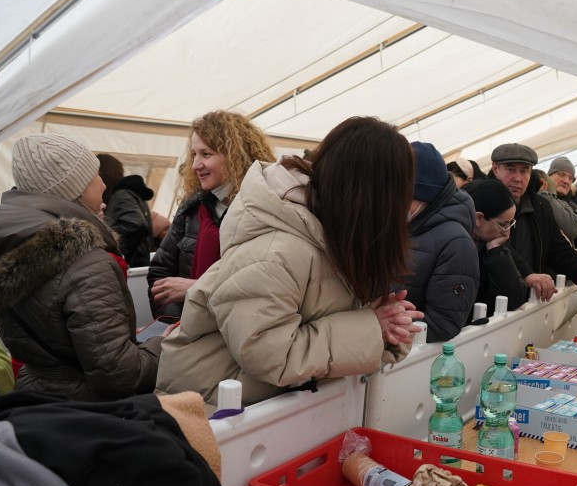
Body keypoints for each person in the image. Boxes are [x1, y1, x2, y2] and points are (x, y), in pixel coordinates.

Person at [156, 116, 423, 407]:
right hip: (205, 412)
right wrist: (370, 327)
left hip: (252, 410)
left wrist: (377, 321)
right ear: (374, 194)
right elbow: (269, 353)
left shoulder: (325, 230)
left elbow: (311, 314)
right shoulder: (278, 249)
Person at [0, 134, 162, 401]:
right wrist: (165, 344)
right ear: (76, 188)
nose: (104, 183)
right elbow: (119, 374)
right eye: (95, 175)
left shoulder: (2, 245)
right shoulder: (86, 262)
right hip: (90, 409)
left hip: (34, 394)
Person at [148, 111, 276, 317]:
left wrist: (199, 288)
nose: (195, 165)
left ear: (235, 155)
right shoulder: (191, 209)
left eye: (206, 154)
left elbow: (269, 282)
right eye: (194, 154)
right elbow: (161, 274)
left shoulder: (265, 208)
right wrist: (174, 323)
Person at [488, 143, 577, 307]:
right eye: (510, 169)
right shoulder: (481, 201)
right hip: (487, 310)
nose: (518, 178)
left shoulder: (540, 206)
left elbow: (558, 249)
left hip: (528, 305)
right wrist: (527, 274)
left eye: (524, 170)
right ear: (495, 168)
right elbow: (495, 244)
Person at [401, 141, 478, 343]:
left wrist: (386, 325)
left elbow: (444, 323)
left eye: (404, 196)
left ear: (426, 195)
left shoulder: (456, 243)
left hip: (408, 361)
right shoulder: (403, 228)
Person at [462, 178, 531, 313]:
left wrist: (496, 251)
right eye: (503, 224)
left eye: (511, 223)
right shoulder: (454, 246)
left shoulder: (491, 243)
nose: (507, 232)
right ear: (478, 218)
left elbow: (514, 299)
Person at [97, 153, 156, 267]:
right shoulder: (127, 194)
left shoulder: (122, 194)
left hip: (133, 264)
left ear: (104, 173)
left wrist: (112, 246)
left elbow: (135, 224)